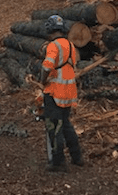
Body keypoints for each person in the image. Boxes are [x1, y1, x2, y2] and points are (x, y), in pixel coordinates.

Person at [39, 14, 83, 171]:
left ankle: (58, 163)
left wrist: (43, 80)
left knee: (54, 127)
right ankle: (77, 157)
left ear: (50, 29)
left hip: (54, 92)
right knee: (66, 125)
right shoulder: (71, 45)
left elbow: (47, 66)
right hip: (69, 91)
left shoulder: (53, 46)